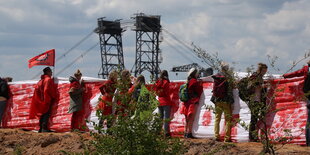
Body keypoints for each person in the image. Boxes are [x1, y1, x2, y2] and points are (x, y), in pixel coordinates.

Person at [283, 60, 310, 146]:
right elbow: (297, 73)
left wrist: (285, 76)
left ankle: (308, 142)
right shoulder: (306, 69)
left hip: (308, 95)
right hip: (308, 95)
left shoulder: (306, 69)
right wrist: (286, 76)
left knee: (309, 120)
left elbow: (297, 73)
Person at [211, 62, 234, 142]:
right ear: (227, 68)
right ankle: (227, 138)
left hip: (217, 100)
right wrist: (231, 101)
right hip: (226, 101)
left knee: (217, 119)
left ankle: (216, 136)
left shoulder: (216, 76)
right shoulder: (228, 77)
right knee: (228, 120)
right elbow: (230, 90)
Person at [29, 67, 57, 132]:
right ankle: (44, 128)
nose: (51, 73)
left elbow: (37, 90)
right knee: (46, 113)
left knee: (42, 114)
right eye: (50, 71)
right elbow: (47, 90)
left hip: (40, 100)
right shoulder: (48, 80)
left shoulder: (41, 80)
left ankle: (41, 128)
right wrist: (52, 97)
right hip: (46, 99)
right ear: (47, 72)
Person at [247, 63, 268, 141]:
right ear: (260, 70)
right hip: (254, 100)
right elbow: (250, 86)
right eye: (263, 71)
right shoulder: (254, 76)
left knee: (256, 119)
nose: (264, 72)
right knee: (253, 119)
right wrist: (262, 86)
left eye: (265, 71)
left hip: (258, 100)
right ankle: (252, 137)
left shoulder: (260, 77)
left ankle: (254, 136)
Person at [180, 68, 203, 138]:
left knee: (187, 118)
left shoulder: (188, 81)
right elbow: (199, 91)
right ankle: (189, 133)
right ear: (195, 74)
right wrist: (200, 84)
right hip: (192, 102)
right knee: (191, 118)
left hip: (186, 102)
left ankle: (185, 132)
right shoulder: (194, 81)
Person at [155, 70, 172, 137]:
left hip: (159, 101)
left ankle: (158, 131)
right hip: (166, 101)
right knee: (166, 118)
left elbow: (156, 91)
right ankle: (166, 133)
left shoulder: (158, 82)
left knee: (160, 117)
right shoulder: (166, 82)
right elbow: (167, 92)